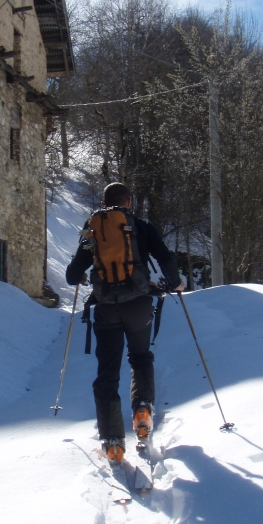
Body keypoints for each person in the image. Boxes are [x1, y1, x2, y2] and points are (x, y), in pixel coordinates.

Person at [66, 182, 184, 463]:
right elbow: (165, 257)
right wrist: (176, 282)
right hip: (138, 305)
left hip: (106, 307)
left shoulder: (92, 228)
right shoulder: (141, 225)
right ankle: (142, 408)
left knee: (107, 372)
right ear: (129, 202)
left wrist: (82, 275)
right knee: (140, 357)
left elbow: (73, 274)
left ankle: (113, 441)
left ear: (104, 203)